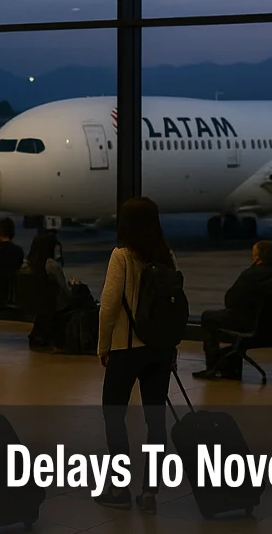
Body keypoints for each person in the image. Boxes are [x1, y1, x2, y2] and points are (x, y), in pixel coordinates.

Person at [93, 197, 179, 514]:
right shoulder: (166, 256)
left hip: (126, 350)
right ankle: (150, 493)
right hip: (159, 350)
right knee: (155, 421)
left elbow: (109, 305)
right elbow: (173, 309)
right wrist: (172, 348)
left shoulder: (122, 257)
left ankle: (119, 487)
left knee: (114, 418)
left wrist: (103, 345)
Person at [192, 240, 272, 381]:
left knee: (208, 317)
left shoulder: (249, 275)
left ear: (257, 258)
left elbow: (230, 300)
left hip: (246, 323)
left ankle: (213, 366)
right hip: (266, 329)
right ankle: (228, 365)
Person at [22, 231, 74, 348]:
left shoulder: (27, 266)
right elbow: (66, 293)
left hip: (34, 304)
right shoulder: (51, 266)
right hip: (53, 305)